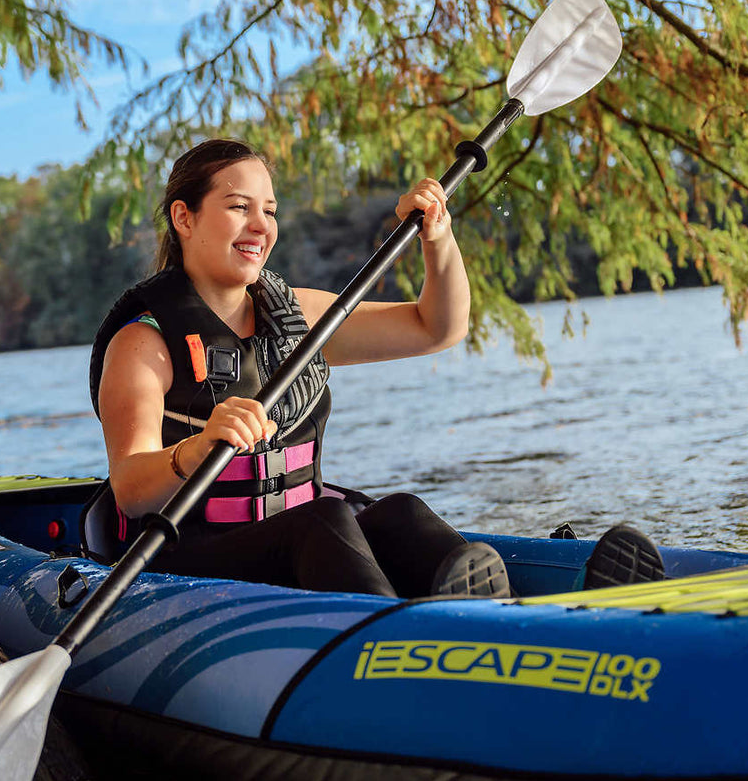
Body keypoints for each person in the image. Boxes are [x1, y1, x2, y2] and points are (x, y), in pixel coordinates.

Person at [89, 138, 510, 599]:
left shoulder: (300, 319)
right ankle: (392, 637)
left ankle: (508, 614)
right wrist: (200, 446)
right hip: (187, 560)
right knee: (321, 520)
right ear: (183, 217)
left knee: (400, 513)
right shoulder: (143, 344)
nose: (260, 226)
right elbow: (130, 489)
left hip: (300, 543)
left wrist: (438, 238)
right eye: (238, 207)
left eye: (269, 211)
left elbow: (437, 328)